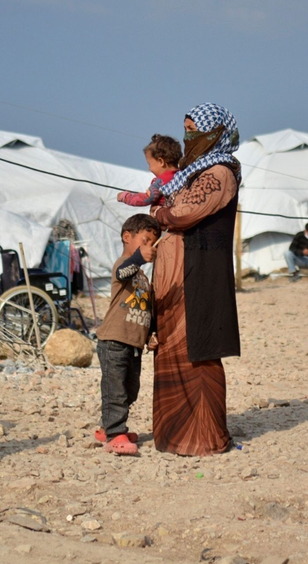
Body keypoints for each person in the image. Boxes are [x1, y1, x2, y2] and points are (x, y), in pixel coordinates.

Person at [151, 102, 241, 456]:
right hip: (178, 276)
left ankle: (205, 436)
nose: (188, 137)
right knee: (172, 349)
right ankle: (174, 433)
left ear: (215, 133)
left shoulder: (219, 173)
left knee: (199, 352)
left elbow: (184, 213)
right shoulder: (191, 173)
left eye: (194, 131)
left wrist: (160, 213)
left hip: (200, 274)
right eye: (186, 130)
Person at [94, 214, 160, 455]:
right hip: (113, 340)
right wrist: (139, 257)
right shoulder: (123, 264)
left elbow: (146, 308)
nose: (150, 246)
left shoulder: (142, 277)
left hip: (134, 344)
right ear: (127, 237)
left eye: (153, 243)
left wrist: (151, 333)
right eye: (146, 240)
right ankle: (115, 434)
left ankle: (107, 428)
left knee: (130, 390)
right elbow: (123, 272)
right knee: (116, 391)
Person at [117, 135, 182, 207]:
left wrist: (125, 197)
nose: (149, 169)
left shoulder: (161, 182)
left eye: (150, 164)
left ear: (161, 162)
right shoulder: (182, 177)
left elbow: (146, 198)